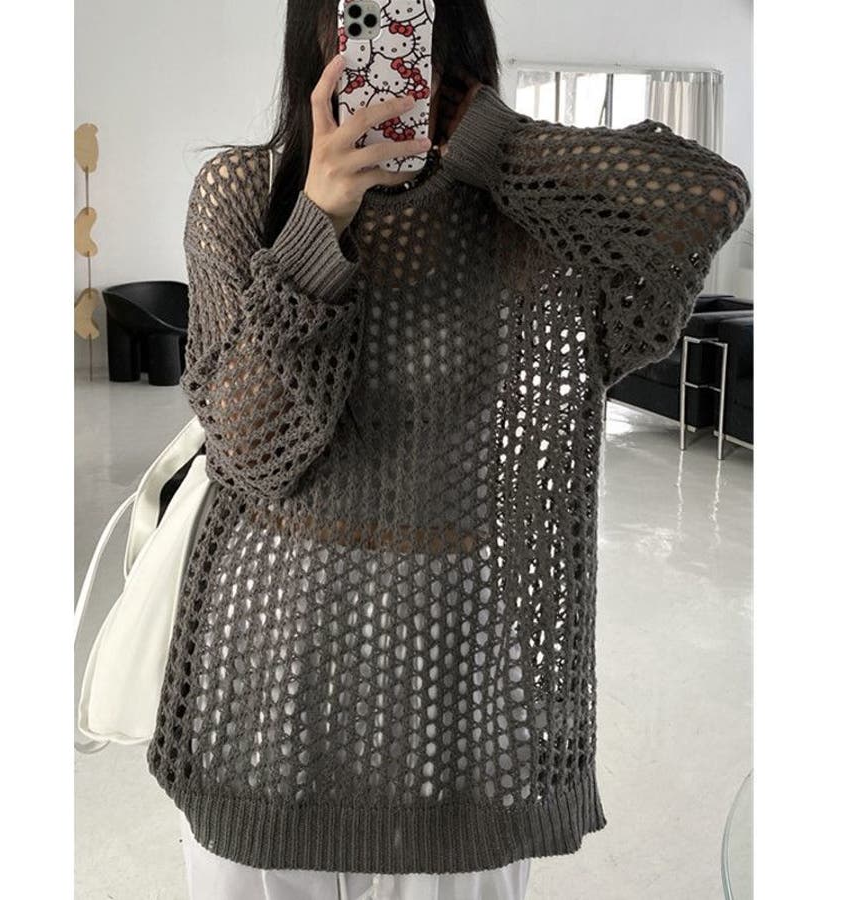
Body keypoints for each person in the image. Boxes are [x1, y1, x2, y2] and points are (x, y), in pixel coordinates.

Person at [147, 1, 751, 897]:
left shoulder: (523, 215)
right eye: (362, 17)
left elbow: (705, 200)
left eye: (414, 18)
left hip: (453, 646)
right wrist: (316, 224)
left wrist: (486, 136)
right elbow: (247, 445)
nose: (389, 48)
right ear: (318, 30)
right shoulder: (243, 191)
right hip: (273, 640)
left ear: (455, 30)